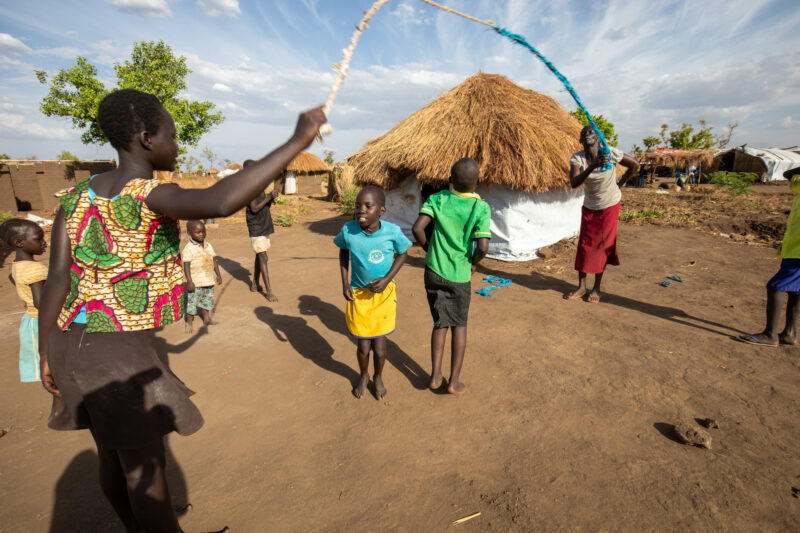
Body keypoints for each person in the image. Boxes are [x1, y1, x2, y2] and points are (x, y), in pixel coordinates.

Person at [37, 88, 325, 532]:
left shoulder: (75, 198)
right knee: (145, 473)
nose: (177, 144)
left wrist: (44, 352)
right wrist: (296, 142)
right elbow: (221, 200)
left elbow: (57, 279)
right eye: (172, 135)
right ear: (147, 138)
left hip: (67, 342)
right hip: (113, 352)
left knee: (112, 457)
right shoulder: (149, 195)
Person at [412, 158, 491, 394]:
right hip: (459, 274)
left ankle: (435, 377)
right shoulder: (480, 208)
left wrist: (428, 248)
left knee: (440, 323)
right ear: (478, 182)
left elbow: (417, 229)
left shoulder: (436, 199)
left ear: (449, 180)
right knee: (459, 325)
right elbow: (484, 248)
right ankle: (453, 382)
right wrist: (473, 263)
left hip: (433, 271)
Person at [334, 186, 411, 399]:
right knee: (363, 346)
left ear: (381, 211)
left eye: (368, 206)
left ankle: (378, 376)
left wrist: (387, 280)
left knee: (379, 346)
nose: (362, 210)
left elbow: (403, 253)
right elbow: (343, 251)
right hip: (359, 296)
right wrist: (344, 283)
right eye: (358, 206)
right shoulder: (348, 230)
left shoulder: (392, 232)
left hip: (383, 297)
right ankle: (363, 375)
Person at [564, 126, 639, 304]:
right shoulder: (578, 158)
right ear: (581, 141)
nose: (587, 135)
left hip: (610, 204)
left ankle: (596, 288)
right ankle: (581, 287)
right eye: (583, 134)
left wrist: (620, 183)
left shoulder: (610, 153)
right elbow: (574, 182)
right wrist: (593, 166)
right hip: (590, 205)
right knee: (584, 245)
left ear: (598, 138)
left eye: (591, 133)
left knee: (603, 245)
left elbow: (635, 165)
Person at [740, 166, 800, 346]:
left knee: (776, 286)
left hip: (798, 253)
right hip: (793, 250)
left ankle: (770, 334)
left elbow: (789, 176)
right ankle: (789, 333)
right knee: (796, 291)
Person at [1, 218, 48, 382]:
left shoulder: (17, 265)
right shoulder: (35, 269)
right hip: (42, 323)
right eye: (38, 239)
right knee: (50, 362)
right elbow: (41, 304)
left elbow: (12, 277)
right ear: (19, 242)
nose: (44, 243)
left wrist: (25, 295)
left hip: (30, 320)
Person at [244, 158, 279, 301]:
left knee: (260, 255)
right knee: (263, 256)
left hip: (263, 224)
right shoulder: (249, 188)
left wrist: (271, 199)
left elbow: (264, 206)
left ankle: (254, 284)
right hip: (256, 226)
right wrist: (269, 197)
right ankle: (269, 291)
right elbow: (254, 208)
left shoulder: (259, 186)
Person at [182, 219, 222, 333]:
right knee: (192, 304)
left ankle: (207, 319)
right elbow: (186, 266)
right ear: (189, 233)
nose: (201, 234)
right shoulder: (188, 248)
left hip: (208, 280)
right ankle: (189, 323)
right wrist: (189, 281)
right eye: (198, 232)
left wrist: (218, 275)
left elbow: (214, 261)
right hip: (196, 282)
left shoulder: (208, 245)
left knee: (207, 301)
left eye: (203, 231)